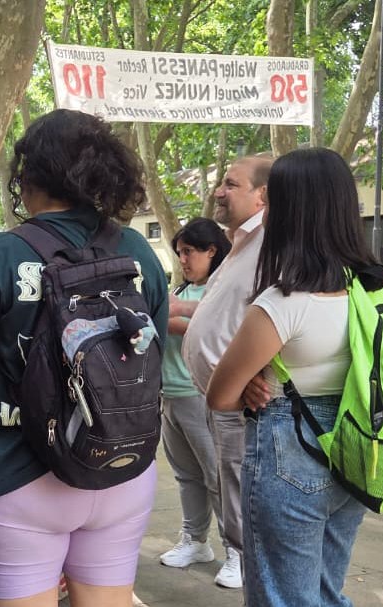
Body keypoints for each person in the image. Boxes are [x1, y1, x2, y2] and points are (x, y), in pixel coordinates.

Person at [0, 109, 168, 607]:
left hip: (20, 475)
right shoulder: (138, 251)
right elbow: (150, 349)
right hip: (122, 465)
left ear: (27, 175)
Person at [207, 147, 378, 606]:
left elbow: (219, 396)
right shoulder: (370, 292)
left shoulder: (282, 305)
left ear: (288, 211)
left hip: (291, 459)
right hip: (355, 452)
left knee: (283, 597)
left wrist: (245, 386)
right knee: (325, 590)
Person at [180, 154, 273, 590]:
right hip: (220, 400)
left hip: (245, 405)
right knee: (227, 484)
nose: (219, 190)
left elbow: (285, 314)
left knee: (243, 496)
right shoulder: (242, 242)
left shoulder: (272, 244)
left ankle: (244, 562)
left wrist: (259, 372)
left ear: (262, 196)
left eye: (230, 184)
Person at [158, 219, 231, 570]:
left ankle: (238, 553)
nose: (183, 260)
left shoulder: (221, 290)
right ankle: (195, 541)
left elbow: (222, 329)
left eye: (189, 251)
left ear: (211, 250)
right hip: (170, 396)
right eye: (179, 253)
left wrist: (169, 318)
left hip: (201, 396)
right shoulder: (180, 293)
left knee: (217, 478)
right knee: (187, 476)